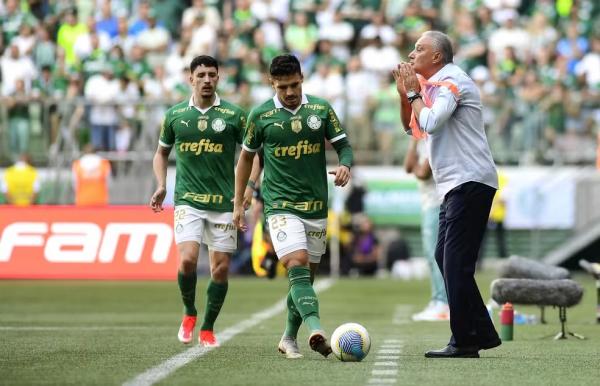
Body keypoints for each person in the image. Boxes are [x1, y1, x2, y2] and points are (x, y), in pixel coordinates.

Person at [232, 54, 353, 359]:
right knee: (296, 263)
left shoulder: (321, 109)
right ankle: (316, 329)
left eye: (294, 84)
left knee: (305, 279)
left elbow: (343, 145)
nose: (289, 92)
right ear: (271, 83)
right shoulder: (260, 116)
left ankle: (288, 338)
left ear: (302, 78)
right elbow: (247, 157)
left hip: (315, 205)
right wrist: (241, 197)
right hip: (280, 204)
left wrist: (345, 165)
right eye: (283, 86)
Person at [393, 31, 501, 358]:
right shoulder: (433, 85)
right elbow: (411, 127)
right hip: (455, 184)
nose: (412, 55)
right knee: (445, 258)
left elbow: (432, 121)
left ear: (437, 57)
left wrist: (413, 91)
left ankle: (464, 340)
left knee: (454, 262)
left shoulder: (453, 81)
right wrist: (405, 95)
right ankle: (479, 332)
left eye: (419, 49)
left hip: (469, 180)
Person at [149, 55, 258, 347]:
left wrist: (248, 188)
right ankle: (189, 312)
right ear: (191, 79)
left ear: (218, 79)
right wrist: (161, 185)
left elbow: (254, 154)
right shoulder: (174, 116)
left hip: (225, 204)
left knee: (220, 269)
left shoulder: (235, 115)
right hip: (188, 200)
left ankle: (208, 328)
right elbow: (161, 153)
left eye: (212, 74)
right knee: (186, 262)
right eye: (201, 75)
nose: (207, 80)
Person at [404, 138, 449, 321]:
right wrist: (413, 142)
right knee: (431, 255)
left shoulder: (435, 138)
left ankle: (442, 302)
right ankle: (438, 299)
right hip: (428, 203)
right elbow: (408, 167)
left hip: (437, 202)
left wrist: (416, 166)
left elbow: (423, 173)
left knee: (436, 254)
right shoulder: (420, 140)